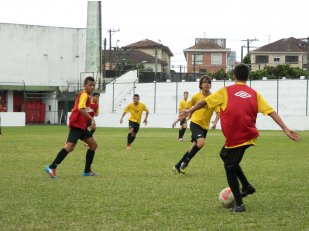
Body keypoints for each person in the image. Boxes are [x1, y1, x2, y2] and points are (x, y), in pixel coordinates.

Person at [182, 63, 301, 212]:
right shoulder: (254, 93)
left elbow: (203, 102)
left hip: (240, 137)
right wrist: (285, 129)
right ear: (248, 77)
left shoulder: (226, 91)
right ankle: (246, 186)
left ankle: (239, 204)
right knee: (224, 155)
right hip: (244, 135)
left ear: (234, 76)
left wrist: (191, 110)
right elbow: (271, 112)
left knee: (229, 166)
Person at [45, 76, 98, 179]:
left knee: (93, 145)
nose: (92, 87)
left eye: (93, 85)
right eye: (90, 85)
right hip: (76, 124)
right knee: (69, 146)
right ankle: (52, 167)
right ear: (85, 85)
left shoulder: (86, 96)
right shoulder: (84, 95)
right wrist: (91, 119)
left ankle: (87, 171)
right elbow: (80, 109)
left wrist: (89, 120)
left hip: (81, 125)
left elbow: (83, 110)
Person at [172, 76, 220, 174]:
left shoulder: (213, 98)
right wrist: (178, 120)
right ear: (201, 85)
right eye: (204, 82)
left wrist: (215, 122)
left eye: (208, 82)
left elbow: (218, 112)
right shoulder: (196, 97)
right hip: (195, 123)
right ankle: (186, 162)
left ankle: (177, 166)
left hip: (205, 126)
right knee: (201, 143)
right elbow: (187, 109)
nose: (206, 84)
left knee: (193, 147)